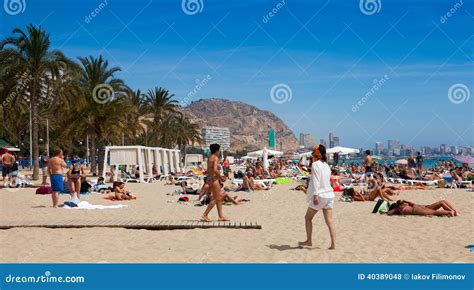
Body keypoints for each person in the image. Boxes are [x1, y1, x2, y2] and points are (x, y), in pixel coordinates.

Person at [299, 144, 336, 250]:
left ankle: (309, 240)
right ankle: (333, 244)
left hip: (320, 195)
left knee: (307, 218)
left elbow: (316, 181)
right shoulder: (326, 165)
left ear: (316, 154)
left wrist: (315, 195)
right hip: (329, 195)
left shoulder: (316, 164)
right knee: (330, 221)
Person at [201, 144, 228, 222]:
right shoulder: (215, 158)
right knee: (216, 199)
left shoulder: (209, 157)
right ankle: (205, 214)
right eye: (219, 150)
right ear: (216, 150)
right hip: (214, 179)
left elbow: (210, 169)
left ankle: (220, 216)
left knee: (219, 198)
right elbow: (215, 170)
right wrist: (221, 178)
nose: (219, 152)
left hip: (210, 178)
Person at [386, 199, 459, 217]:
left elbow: (388, 213)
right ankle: (452, 211)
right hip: (418, 208)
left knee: (435, 212)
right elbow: (389, 213)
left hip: (417, 209)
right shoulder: (399, 208)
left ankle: (451, 211)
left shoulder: (402, 207)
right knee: (441, 204)